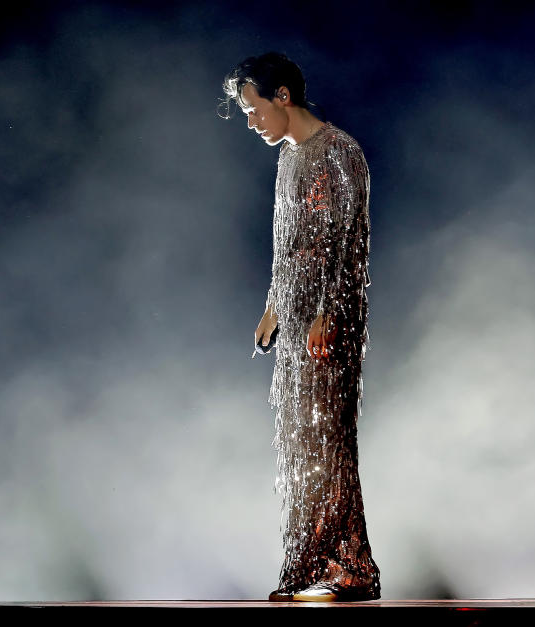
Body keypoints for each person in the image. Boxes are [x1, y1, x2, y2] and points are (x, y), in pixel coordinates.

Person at [220, 52, 380, 602]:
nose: (252, 121)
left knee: (327, 440)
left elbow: (348, 245)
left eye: (254, 108)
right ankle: (327, 562)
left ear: (283, 96)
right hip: (294, 315)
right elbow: (286, 248)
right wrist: (273, 307)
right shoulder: (288, 160)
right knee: (300, 439)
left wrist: (326, 313)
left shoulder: (339, 155)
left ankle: (346, 564)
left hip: (328, 318)